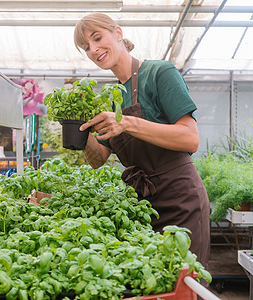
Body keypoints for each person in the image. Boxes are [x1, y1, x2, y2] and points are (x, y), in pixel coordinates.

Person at [73, 13, 210, 271]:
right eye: (86, 47)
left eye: (97, 38)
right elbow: (98, 159)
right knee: (153, 285)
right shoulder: (112, 98)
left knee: (184, 285)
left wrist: (126, 123)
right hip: (142, 207)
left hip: (181, 202)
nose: (93, 50)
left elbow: (190, 138)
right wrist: (78, 129)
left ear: (118, 33)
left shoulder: (160, 72)